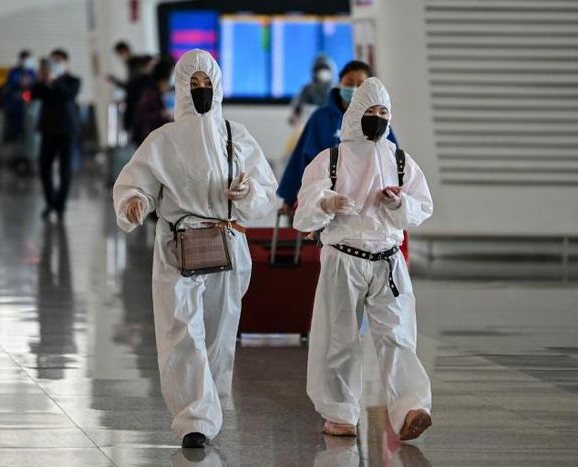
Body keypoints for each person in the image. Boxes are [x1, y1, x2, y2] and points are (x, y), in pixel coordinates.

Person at [112, 49, 277, 449]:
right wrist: (135, 203)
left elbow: (265, 190)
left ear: (217, 87)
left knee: (219, 334)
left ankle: (211, 405)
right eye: (194, 84)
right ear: (181, 89)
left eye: (207, 84)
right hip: (177, 247)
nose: (201, 91)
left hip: (225, 243)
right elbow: (137, 184)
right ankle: (194, 419)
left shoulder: (237, 137)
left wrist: (247, 190)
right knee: (181, 329)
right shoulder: (162, 141)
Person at [293, 78, 433, 441]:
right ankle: (339, 412)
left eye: (384, 112)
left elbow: (421, 207)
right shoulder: (332, 159)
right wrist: (326, 204)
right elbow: (304, 212)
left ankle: (410, 409)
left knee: (397, 336)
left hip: (387, 259)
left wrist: (399, 203)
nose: (378, 119)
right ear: (355, 115)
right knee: (339, 337)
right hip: (344, 258)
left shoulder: (399, 159)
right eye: (370, 112)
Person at [278, 60, 398, 213]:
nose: (354, 88)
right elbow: (301, 157)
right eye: (349, 82)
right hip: (325, 198)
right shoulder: (321, 118)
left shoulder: (378, 120)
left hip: (369, 201)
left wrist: (397, 199)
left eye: (360, 84)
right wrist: (290, 196)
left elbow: (393, 160)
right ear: (339, 83)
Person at [31, 48, 81, 221]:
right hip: (48, 130)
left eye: (59, 62)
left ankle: (60, 205)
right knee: (44, 167)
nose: (56, 65)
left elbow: (68, 95)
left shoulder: (73, 81)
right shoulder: (45, 81)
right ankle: (50, 202)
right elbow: (32, 95)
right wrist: (42, 80)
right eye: (54, 62)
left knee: (65, 170)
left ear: (66, 63)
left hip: (67, 130)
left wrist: (55, 80)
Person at [108, 41, 155, 141]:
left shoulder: (135, 63)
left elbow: (132, 86)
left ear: (125, 51)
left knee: (140, 136)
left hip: (137, 105)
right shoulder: (132, 64)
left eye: (120, 54)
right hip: (137, 104)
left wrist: (116, 81)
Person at [132, 56, 175, 144]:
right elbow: (142, 116)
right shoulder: (150, 94)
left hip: (172, 138)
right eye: (173, 72)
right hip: (156, 140)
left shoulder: (175, 91)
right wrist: (162, 114)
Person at [288, 54, 335, 126]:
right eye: (319, 69)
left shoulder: (336, 90)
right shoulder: (307, 90)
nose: (322, 72)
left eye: (324, 68)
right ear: (314, 72)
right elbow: (296, 110)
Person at [5, 49, 37, 141]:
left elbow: (36, 85)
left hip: (29, 101)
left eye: (29, 59)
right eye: (26, 59)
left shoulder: (32, 72)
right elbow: (10, 84)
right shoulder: (14, 71)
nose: (27, 61)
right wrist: (20, 83)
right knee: (16, 121)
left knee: (29, 121)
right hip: (16, 101)